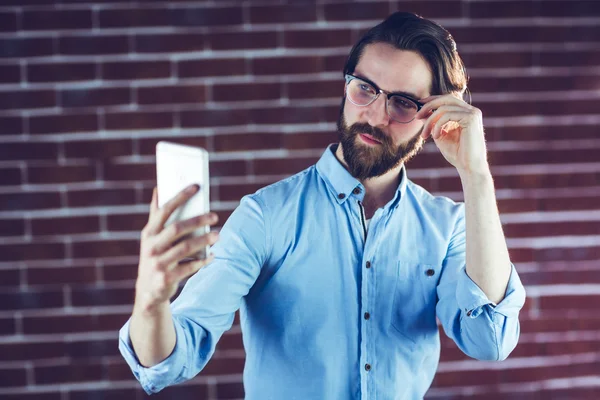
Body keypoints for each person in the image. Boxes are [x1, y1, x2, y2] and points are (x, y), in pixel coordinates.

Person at [119, 11, 526, 399]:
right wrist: (151, 301)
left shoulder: (449, 227)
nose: (375, 115)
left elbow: (490, 340)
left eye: (403, 102)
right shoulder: (265, 217)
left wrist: (476, 174)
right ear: (346, 85)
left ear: (434, 119)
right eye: (364, 88)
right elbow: (168, 361)